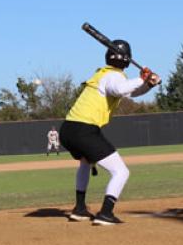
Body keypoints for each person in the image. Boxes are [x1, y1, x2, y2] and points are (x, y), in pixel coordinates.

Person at [59, 39, 160, 225]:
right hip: (84, 129)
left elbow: (130, 93)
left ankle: (80, 209)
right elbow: (121, 88)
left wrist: (148, 85)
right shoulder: (115, 76)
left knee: (85, 163)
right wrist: (142, 78)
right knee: (121, 172)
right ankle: (106, 213)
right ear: (127, 59)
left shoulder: (103, 74)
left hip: (68, 128)